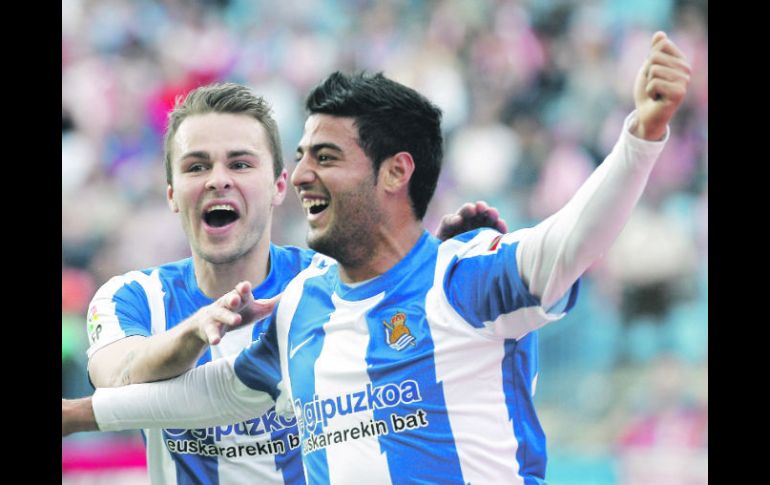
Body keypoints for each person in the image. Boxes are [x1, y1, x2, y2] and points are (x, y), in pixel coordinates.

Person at [64, 31, 691, 484]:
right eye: (302, 157)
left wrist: (641, 137)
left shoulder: (463, 277)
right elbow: (217, 393)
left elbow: (571, 242)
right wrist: (77, 416)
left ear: (395, 172)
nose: (301, 176)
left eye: (325, 158)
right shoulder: (300, 305)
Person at [79, 82, 508, 485]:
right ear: (172, 193)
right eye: (196, 166)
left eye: (240, 164)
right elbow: (116, 375)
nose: (217, 179)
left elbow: (408, 347)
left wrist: (433, 275)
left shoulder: (329, 285)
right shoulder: (133, 297)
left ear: (279, 185)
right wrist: (194, 331)